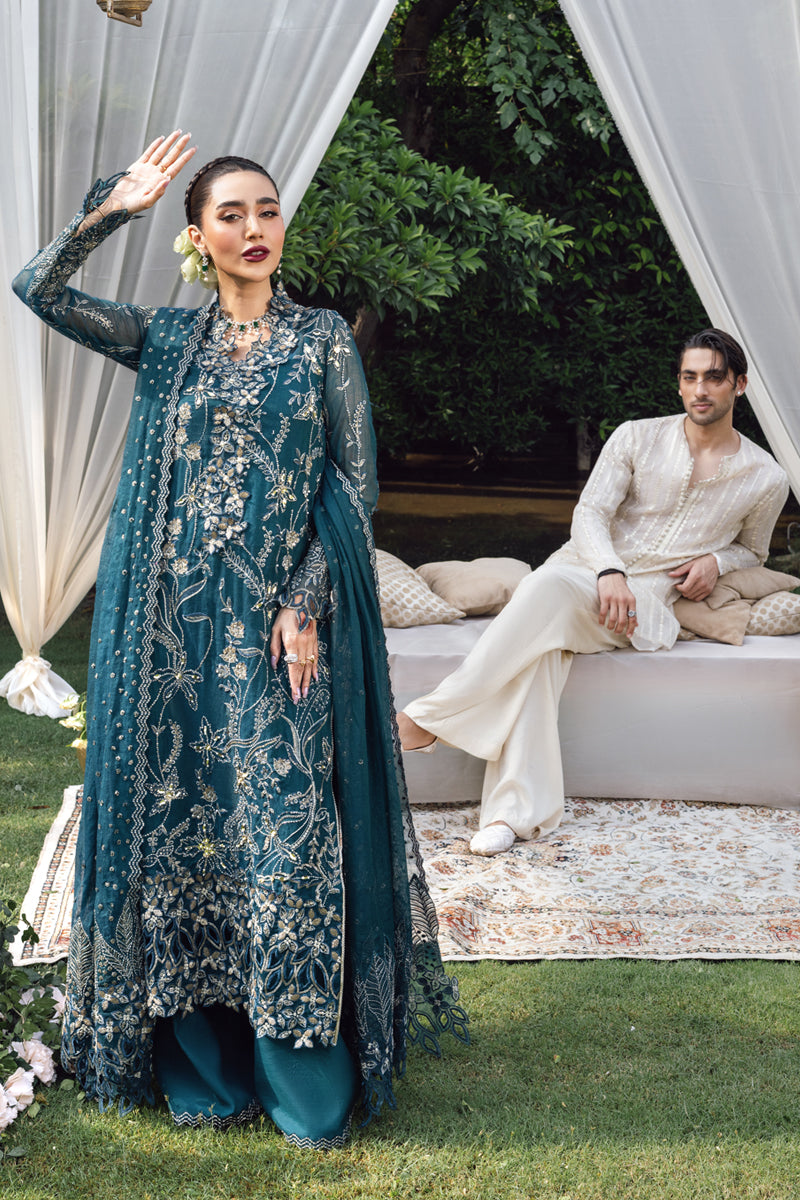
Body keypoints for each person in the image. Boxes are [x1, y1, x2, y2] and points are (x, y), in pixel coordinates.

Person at [14, 131, 467, 1147]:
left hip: (277, 639)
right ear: (197, 236)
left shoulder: (322, 341)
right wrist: (113, 209)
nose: (255, 228)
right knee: (181, 834)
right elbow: (36, 287)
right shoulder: (166, 339)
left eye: (267, 210)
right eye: (231, 214)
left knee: (288, 837)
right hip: (170, 641)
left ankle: (301, 1070)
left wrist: (304, 600)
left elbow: (354, 483)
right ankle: (204, 1070)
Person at [398, 328, 789, 857]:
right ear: (678, 383)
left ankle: (424, 719)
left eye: (714, 378)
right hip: (585, 571)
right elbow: (591, 512)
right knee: (541, 645)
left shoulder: (766, 477)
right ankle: (511, 817)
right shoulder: (635, 437)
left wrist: (716, 561)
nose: (700, 389)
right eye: (690, 377)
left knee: (541, 595)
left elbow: (753, 551)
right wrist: (608, 569)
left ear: (739, 385)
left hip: (645, 603)